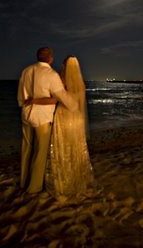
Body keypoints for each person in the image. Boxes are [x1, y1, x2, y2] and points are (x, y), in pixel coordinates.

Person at [29, 56, 95, 200]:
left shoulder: (61, 81)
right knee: (76, 149)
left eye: (64, 64)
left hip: (63, 117)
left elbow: (54, 99)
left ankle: (63, 183)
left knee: (62, 150)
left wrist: (35, 101)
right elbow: (80, 104)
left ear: (66, 66)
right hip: (77, 118)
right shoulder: (81, 84)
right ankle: (77, 181)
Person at [17, 47, 78, 194]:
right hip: (42, 118)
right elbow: (61, 96)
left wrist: (24, 105)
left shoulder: (26, 71)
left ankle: (23, 182)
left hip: (26, 115)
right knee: (40, 152)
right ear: (50, 58)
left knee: (26, 150)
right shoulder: (51, 74)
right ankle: (34, 187)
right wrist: (74, 105)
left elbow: (20, 96)